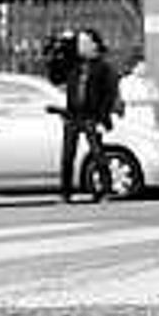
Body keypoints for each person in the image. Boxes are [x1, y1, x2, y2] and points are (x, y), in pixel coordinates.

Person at [58, 28, 119, 203]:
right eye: (78, 43)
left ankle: (106, 189)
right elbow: (56, 69)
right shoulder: (73, 65)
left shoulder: (104, 67)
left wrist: (103, 118)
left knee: (98, 153)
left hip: (92, 116)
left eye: (84, 42)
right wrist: (66, 42)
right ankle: (65, 192)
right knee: (68, 155)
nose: (80, 46)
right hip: (73, 116)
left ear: (94, 45)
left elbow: (109, 95)